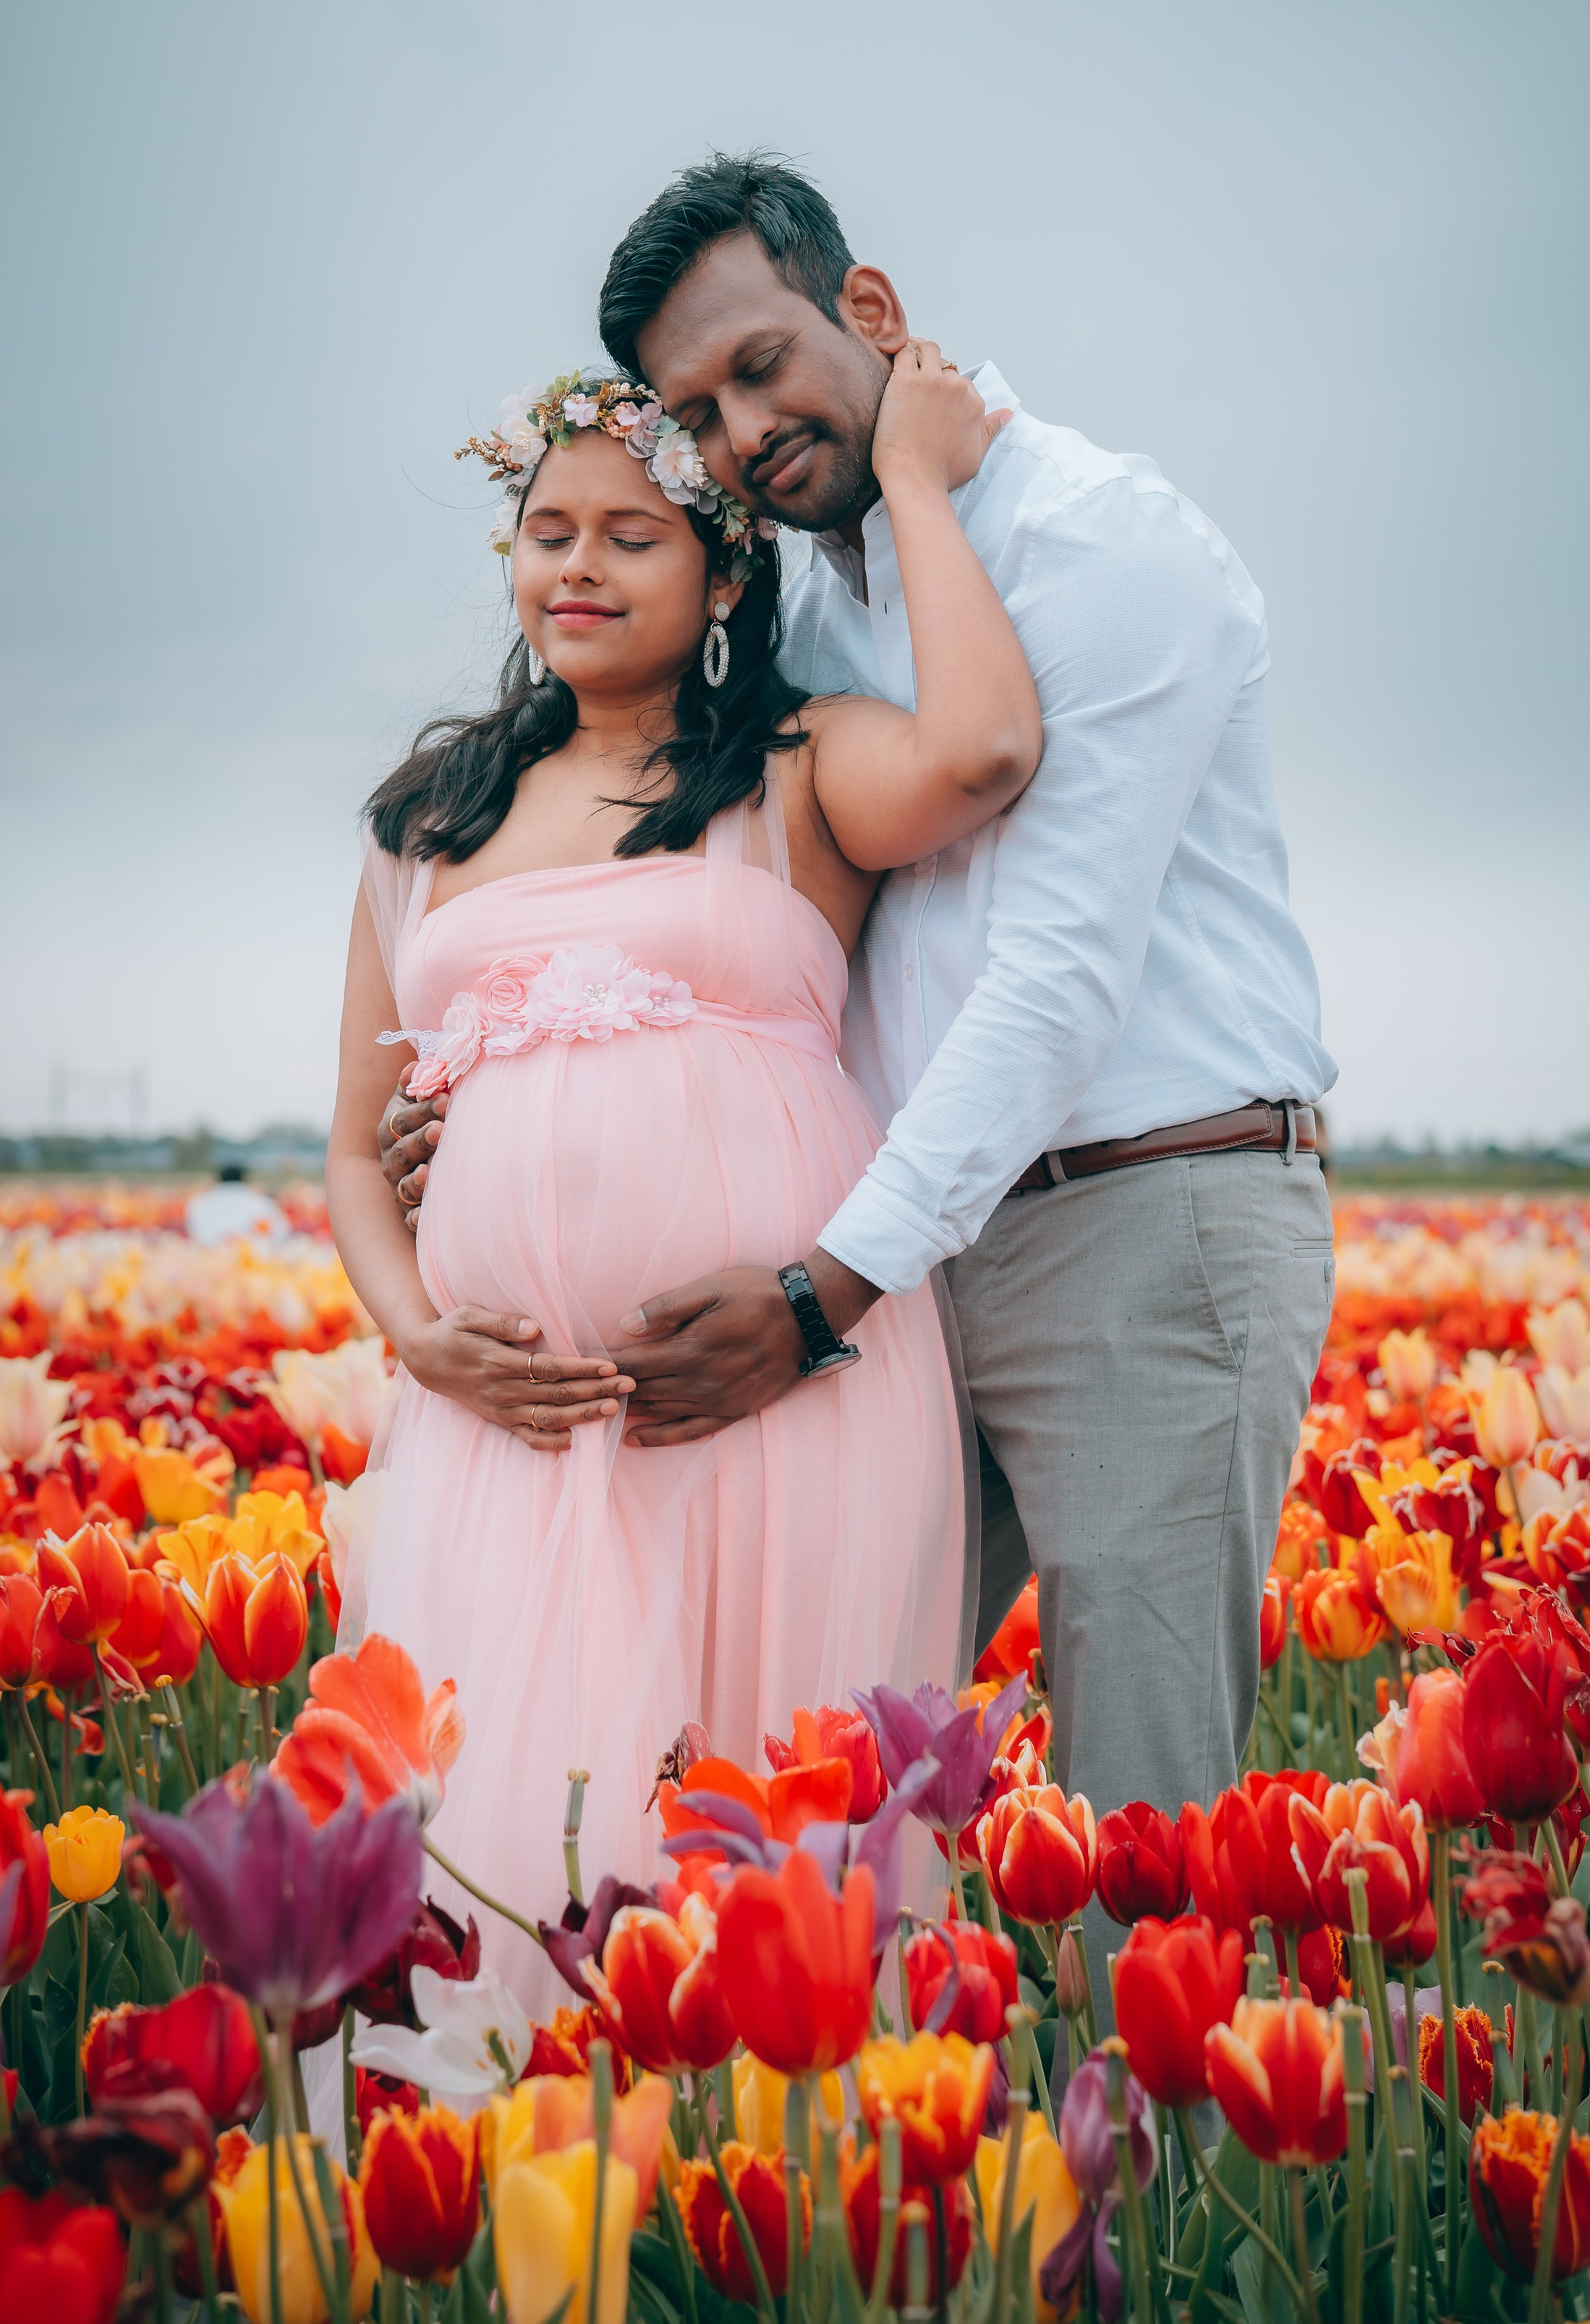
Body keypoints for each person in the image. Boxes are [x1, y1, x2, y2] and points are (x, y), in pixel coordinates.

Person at [385, 156, 1338, 2033]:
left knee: (1141, 1832)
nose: (741, 433)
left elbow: (1055, 977)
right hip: (907, 1255)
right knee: (803, 1761)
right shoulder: (810, 613)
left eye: (765, 368)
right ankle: (819, 2175)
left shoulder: (1104, 548)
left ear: (872, 314)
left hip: (1133, 1221)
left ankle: (1130, 2232)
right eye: (703, 411)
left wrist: (828, 1288)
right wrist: (487, 1090)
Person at [331, 341, 1036, 2007]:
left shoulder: (797, 762)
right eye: (545, 530)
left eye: (627, 535)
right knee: (506, 1833)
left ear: (726, 566)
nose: (572, 566)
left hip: (774, 1395)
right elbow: (357, 1151)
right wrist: (418, 1335)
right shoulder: (424, 816)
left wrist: (917, 485)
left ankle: (771, 2219)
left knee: (763, 1824)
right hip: (501, 1417)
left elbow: (989, 750)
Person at [184, 1160, 289, 1246]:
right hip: (253, 1256)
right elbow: (281, 1231)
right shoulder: (261, 1202)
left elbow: (194, 1231)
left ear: (218, 1179)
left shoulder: (199, 1203)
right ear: (244, 1179)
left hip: (209, 1256)